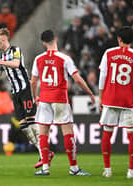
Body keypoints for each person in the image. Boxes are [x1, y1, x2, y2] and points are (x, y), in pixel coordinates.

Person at [0, 27, 53, 168]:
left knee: (32, 123)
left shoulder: (15, 50)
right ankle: (45, 152)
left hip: (25, 89)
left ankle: (44, 155)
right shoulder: (1, 56)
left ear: (3, 37)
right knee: (24, 126)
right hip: (15, 92)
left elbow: (16, 64)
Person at [30, 29, 95, 176]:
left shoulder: (38, 59)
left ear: (43, 42)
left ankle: (45, 168)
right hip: (59, 98)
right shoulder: (65, 58)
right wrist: (90, 92)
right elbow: (77, 79)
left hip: (45, 99)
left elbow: (33, 81)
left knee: (43, 133)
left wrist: (35, 97)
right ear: (56, 39)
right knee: (67, 132)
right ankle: (74, 168)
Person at [98, 26, 133, 179]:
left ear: (119, 39)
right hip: (128, 101)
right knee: (132, 135)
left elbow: (102, 77)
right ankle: (131, 170)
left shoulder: (108, 53)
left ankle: (108, 169)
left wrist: (100, 97)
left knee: (107, 134)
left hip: (110, 100)